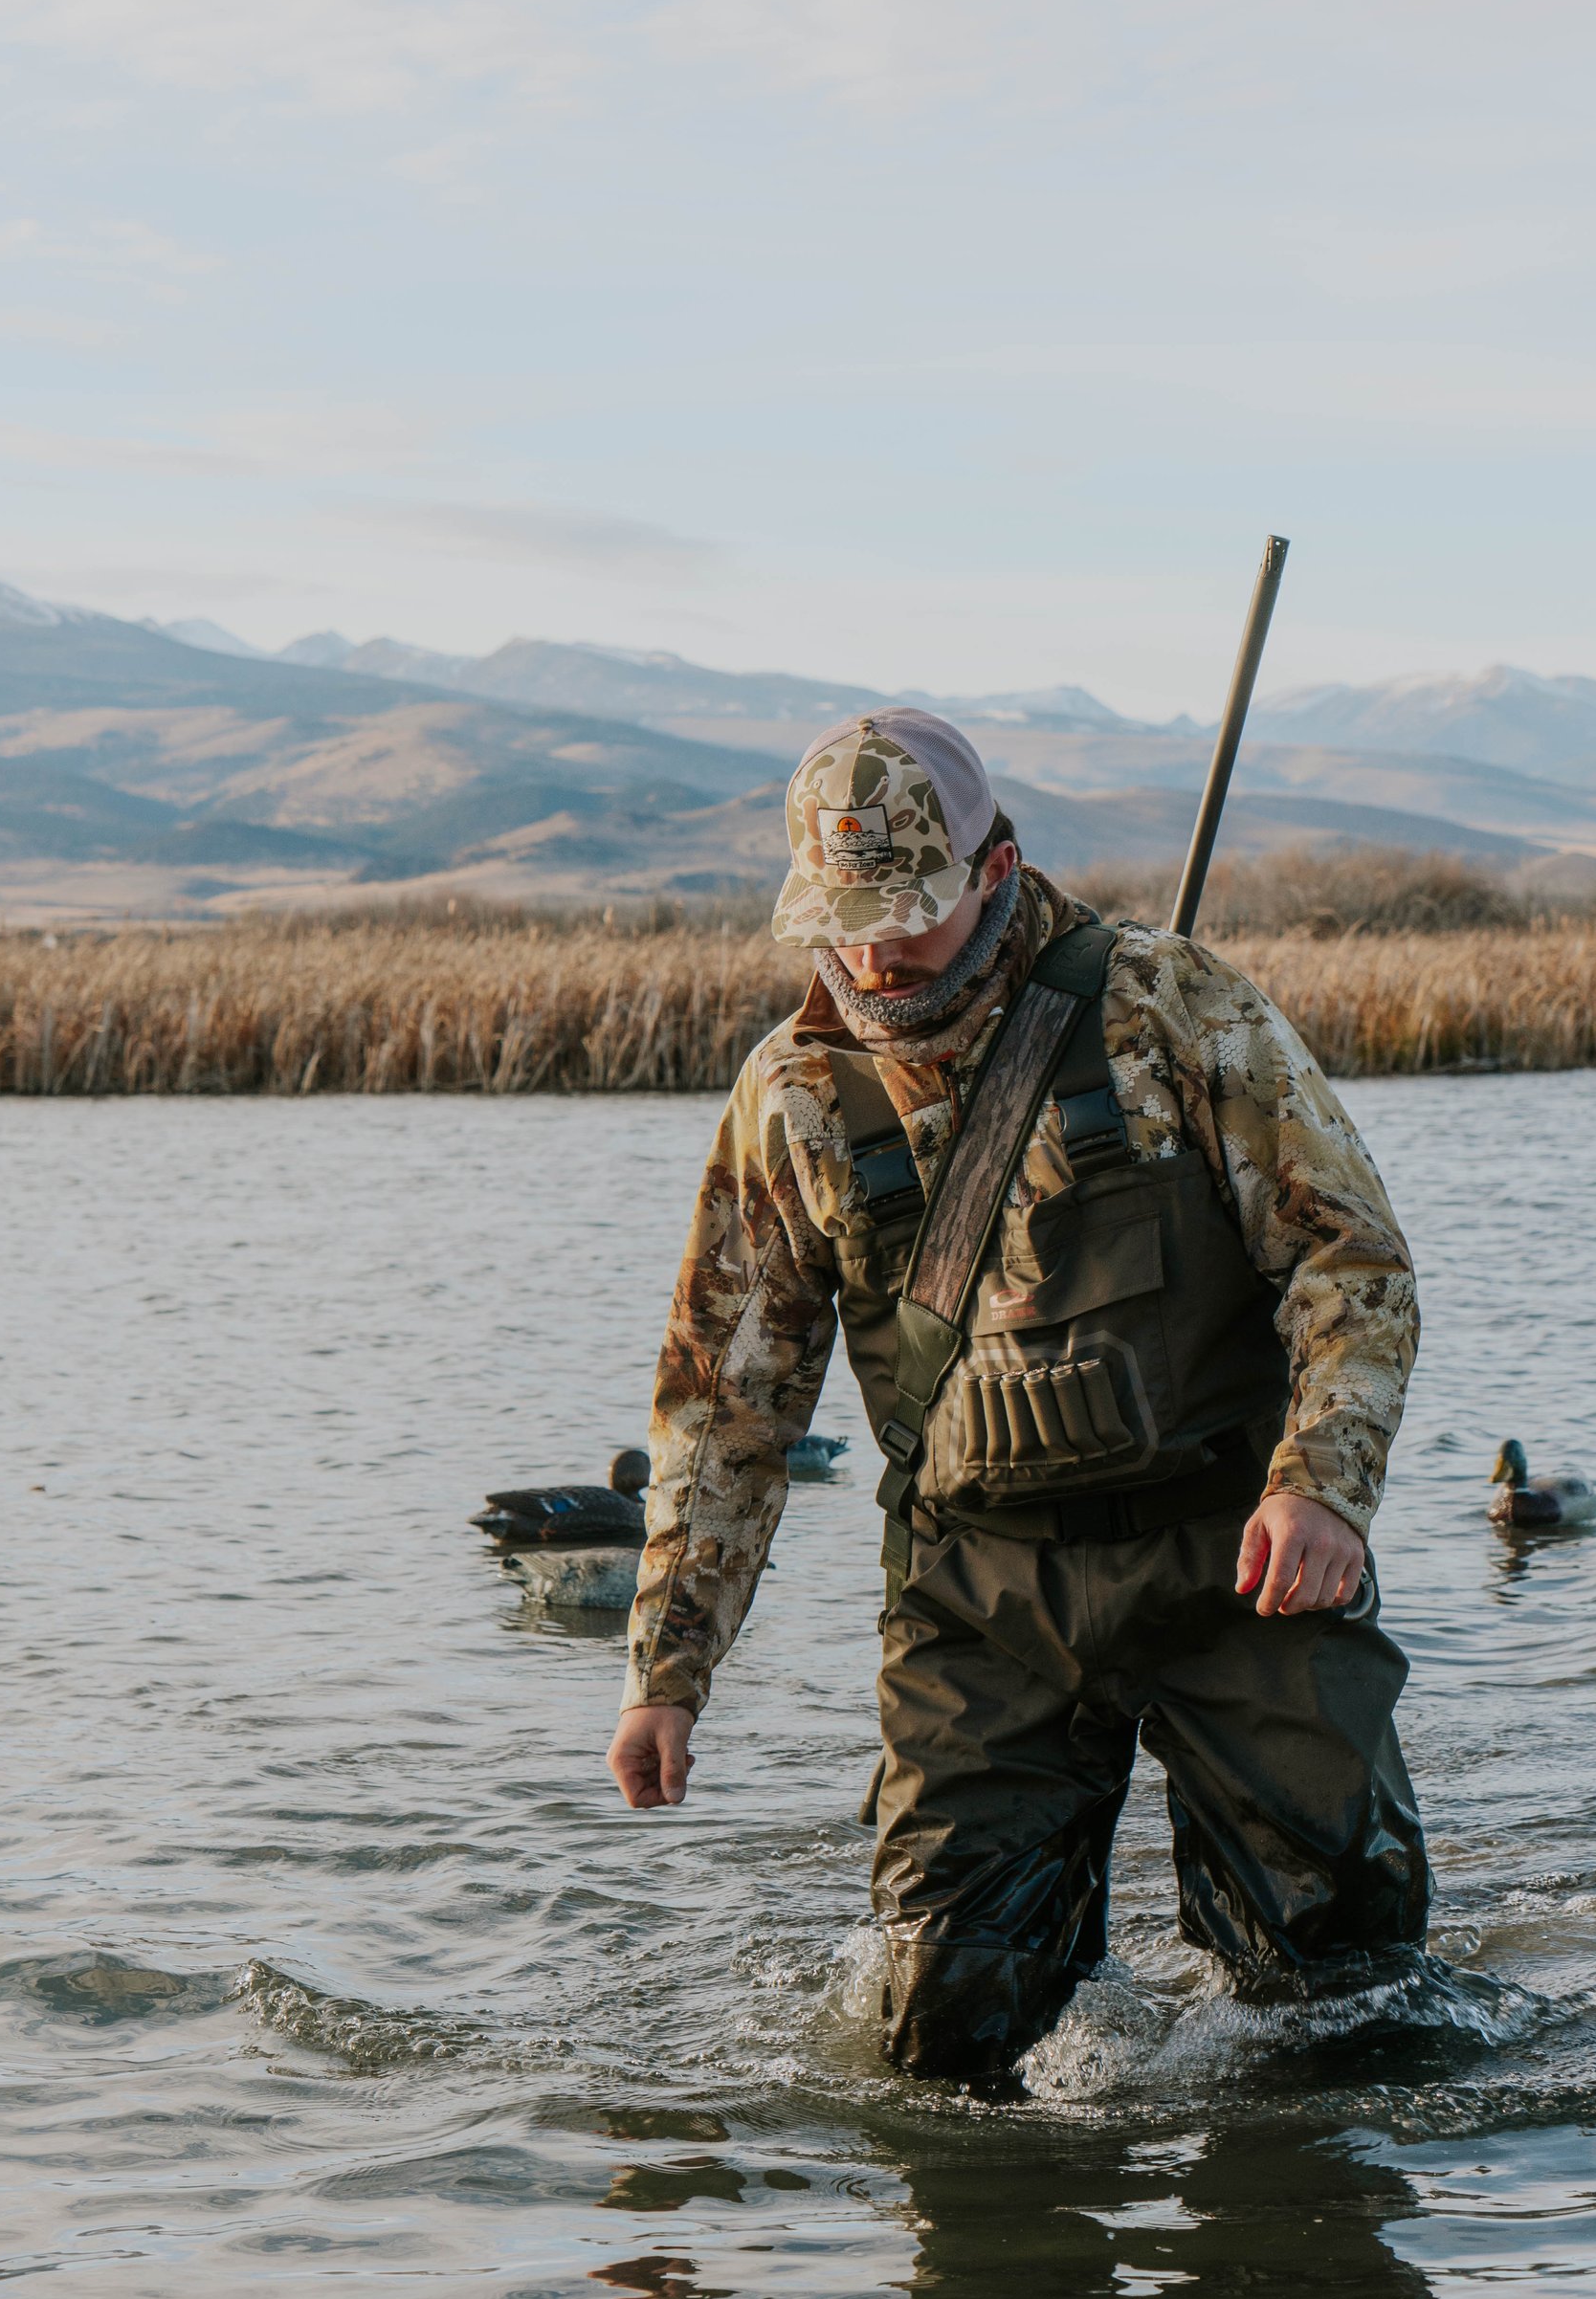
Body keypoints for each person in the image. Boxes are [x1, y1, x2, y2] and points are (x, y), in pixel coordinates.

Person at [605, 709, 1430, 2080]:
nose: (873, 951)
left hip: (1238, 1557)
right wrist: (666, 1676)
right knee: (944, 2022)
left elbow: (1350, 1259)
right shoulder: (790, 1098)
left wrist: (1322, 1487)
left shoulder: (1170, 1005)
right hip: (979, 1598)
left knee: (1338, 1995)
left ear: (995, 874)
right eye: (843, 918)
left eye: (905, 915)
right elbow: (725, 1407)